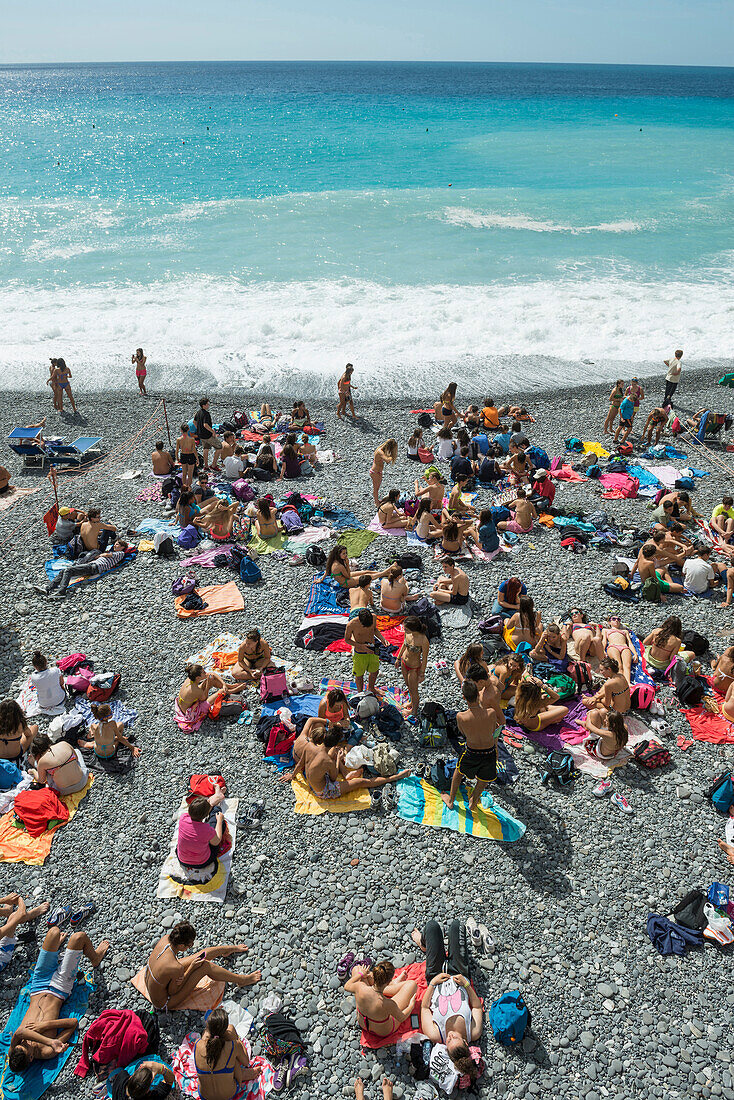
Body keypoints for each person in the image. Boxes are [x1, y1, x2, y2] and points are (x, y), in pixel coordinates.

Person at [8, 926, 110, 1071]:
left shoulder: (15, 1049)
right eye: (26, 1047)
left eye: (21, 1044)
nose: (25, 1042)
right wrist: (47, 1029)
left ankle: (56, 953)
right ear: (31, 1058)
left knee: (54, 932)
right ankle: (95, 958)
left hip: (38, 984)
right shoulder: (47, 1051)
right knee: (79, 937)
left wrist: (45, 1035)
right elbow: (73, 1023)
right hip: (60, 988)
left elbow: (19, 1033)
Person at [413, 920, 482, 1086]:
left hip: (435, 976)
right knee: (456, 926)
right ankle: (433, 948)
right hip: (460, 974)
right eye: (454, 1038)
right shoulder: (473, 1031)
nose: (449, 1036)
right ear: (466, 1042)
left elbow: (424, 1007)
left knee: (432, 927)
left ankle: (425, 945)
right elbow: (477, 1006)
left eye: (448, 1041)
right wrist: (466, 985)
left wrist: (432, 983)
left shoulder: (437, 1035)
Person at [144, 922, 260, 1012]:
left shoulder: (166, 939)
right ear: (180, 945)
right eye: (189, 945)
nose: (190, 947)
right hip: (165, 1002)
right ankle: (242, 980)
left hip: (155, 981)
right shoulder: (175, 967)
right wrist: (191, 969)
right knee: (205, 966)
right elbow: (173, 991)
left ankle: (230, 949)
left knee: (201, 956)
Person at [292, 722, 408, 799]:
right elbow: (333, 778)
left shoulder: (309, 746)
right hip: (322, 791)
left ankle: (348, 774)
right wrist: (337, 759)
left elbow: (301, 763)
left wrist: (292, 776)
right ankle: (396, 777)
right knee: (363, 782)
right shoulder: (327, 760)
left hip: (310, 781)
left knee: (334, 753)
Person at [442, 679, 501, 810]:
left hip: (472, 752)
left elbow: (463, 733)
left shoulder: (461, 716)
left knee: (459, 771)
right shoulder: (491, 712)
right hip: (489, 751)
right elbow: (492, 730)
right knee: (484, 777)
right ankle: (473, 800)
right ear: (478, 694)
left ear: (464, 697)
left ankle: (451, 801)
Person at [194, 1007, 261, 1099]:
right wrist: (237, 1040)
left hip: (204, 1096)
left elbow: (207, 1037)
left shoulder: (197, 1044)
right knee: (233, 1057)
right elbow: (246, 1062)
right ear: (224, 1030)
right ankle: (242, 1074)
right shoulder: (233, 1046)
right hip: (228, 1094)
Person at [344, 961, 418, 1039]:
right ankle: (394, 985)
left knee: (357, 969)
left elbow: (346, 986)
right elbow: (401, 1017)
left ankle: (392, 984)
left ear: (373, 975)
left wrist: (361, 974)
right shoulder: (388, 1004)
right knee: (411, 985)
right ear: (388, 981)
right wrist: (411, 1005)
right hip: (383, 1031)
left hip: (363, 1023)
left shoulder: (360, 987)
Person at [34, 541, 130, 599]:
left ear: (122, 547)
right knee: (63, 571)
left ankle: (62, 591)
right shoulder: (115, 553)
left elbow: (106, 555)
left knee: (68, 570)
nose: (115, 546)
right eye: (115, 544)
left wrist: (101, 555)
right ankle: (48, 588)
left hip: (95, 567)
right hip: (91, 565)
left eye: (117, 544)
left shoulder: (120, 553)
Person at [177, 789, 226, 870]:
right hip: (202, 862)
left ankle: (216, 797)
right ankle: (215, 804)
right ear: (206, 815)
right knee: (217, 817)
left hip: (182, 860)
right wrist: (220, 821)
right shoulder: (207, 830)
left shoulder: (183, 818)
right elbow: (216, 842)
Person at [175, 663, 230, 730]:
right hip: (190, 713)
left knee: (210, 680)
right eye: (204, 672)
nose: (206, 673)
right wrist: (208, 686)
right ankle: (236, 689)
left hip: (182, 706)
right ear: (198, 678)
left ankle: (229, 686)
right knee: (221, 691)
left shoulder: (190, 679)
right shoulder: (196, 690)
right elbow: (204, 699)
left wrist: (223, 683)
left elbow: (211, 674)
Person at [345, 609, 387, 694]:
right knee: (359, 674)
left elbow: (375, 629)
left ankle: (371, 688)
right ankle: (360, 693)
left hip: (373, 648)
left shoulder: (374, 617)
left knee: (375, 671)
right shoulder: (351, 624)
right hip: (360, 652)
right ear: (360, 620)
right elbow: (347, 640)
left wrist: (382, 639)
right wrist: (361, 646)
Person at [397, 616, 429, 720]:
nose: (403, 629)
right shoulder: (408, 633)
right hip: (404, 662)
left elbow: (424, 658)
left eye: (406, 627)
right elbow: (404, 644)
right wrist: (398, 658)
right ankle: (411, 702)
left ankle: (414, 710)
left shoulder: (423, 640)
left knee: (414, 690)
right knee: (408, 685)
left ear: (413, 628)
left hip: (414, 668)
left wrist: (422, 673)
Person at [109, 1060, 175, 1100]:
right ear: (147, 1090)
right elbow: (169, 1081)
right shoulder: (153, 1097)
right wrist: (161, 1069)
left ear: (131, 1077)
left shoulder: (121, 1078)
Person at [602, 616, 636, 683]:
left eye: (618, 619)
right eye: (614, 619)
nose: (616, 620)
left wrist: (635, 653)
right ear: (609, 622)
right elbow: (604, 641)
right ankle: (621, 683)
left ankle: (628, 683)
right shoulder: (605, 630)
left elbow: (629, 643)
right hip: (613, 646)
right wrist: (603, 650)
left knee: (627, 666)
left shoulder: (625, 631)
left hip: (624, 647)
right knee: (618, 665)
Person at [194, 398, 223, 471]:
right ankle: (213, 465)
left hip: (201, 434)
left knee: (206, 449)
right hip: (207, 435)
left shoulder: (198, 412)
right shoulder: (206, 414)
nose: (208, 405)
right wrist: (212, 431)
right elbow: (205, 424)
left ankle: (206, 466)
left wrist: (198, 429)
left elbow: (194, 422)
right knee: (220, 447)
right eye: (207, 404)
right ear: (203, 405)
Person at [370, 440, 398, 506]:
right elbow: (387, 460)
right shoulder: (380, 451)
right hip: (375, 472)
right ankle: (377, 503)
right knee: (376, 489)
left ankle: (377, 500)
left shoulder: (382, 450)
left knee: (377, 488)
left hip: (378, 472)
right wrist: (392, 456)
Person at [176, 423, 198, 489]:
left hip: (183, 455)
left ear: (181, 430)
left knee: (184, 473)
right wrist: (197, 458)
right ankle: (189, 488)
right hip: (191, 455)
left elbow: (177, 450)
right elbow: (194, 450)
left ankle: (184, 487)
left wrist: (177, 458)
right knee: (190, 474)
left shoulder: (179, 439)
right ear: (188, 430)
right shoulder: (192, 439)